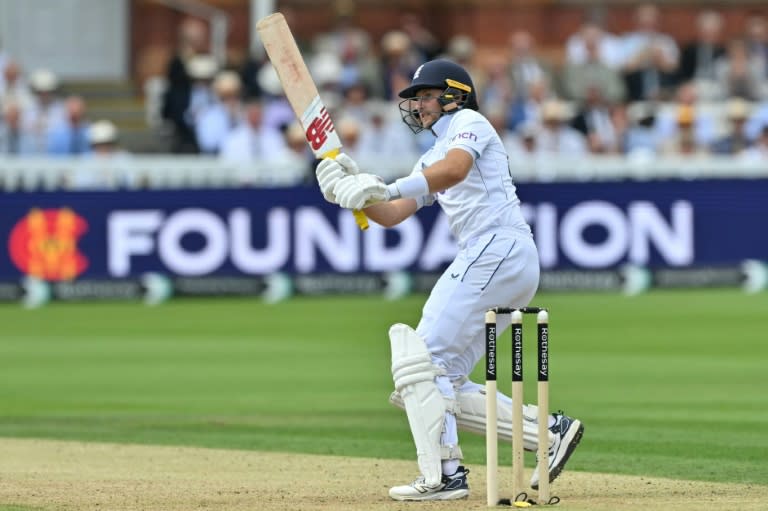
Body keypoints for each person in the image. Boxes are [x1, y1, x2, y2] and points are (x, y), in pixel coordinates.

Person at [313, 59, 584, 501]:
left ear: (453, 94)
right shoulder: (430, 155)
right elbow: (392, 213)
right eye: (415, 98)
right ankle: (549, 432)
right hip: (500, 258)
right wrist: (351, 191)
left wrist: (387, 187)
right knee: (445, 379)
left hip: (497, 248)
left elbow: (455, 170)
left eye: (425, 95)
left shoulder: (470, 123)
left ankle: (445, 474)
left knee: (422, 357)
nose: (418, 105)